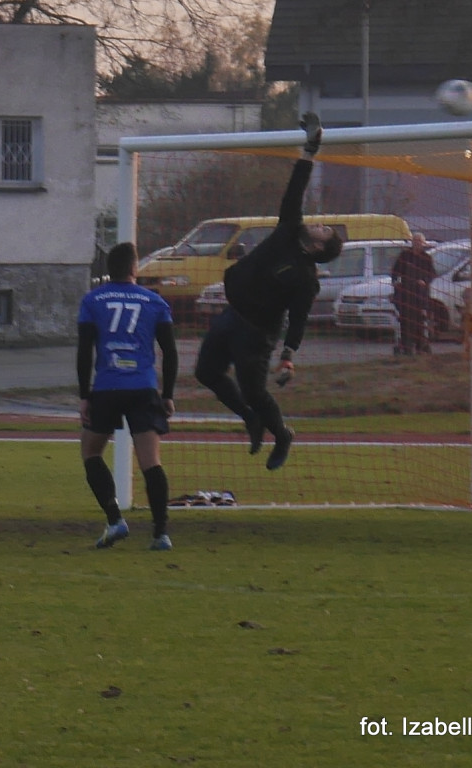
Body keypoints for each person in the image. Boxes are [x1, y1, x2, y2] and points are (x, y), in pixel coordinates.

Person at [194, 112, 342, 471]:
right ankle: (250, 418)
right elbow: (295, 190)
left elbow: (299, 319)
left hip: (258, 334)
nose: (318, 224)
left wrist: (288, 356)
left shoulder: (306, 278)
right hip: (232, 317)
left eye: (324, 229)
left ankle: (282, 433)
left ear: (321, 248)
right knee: (205, 373)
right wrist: (309, 151)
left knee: (255, 391)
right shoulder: (290, 230)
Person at [77, 241, 178, 551]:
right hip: (143, 388)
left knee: (91, 452)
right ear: (136, 268)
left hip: (107, 387)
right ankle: (160, 533)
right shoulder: (155, 302)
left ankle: (115, 520)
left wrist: (85, 395)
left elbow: (84, 352)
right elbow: (170, 353)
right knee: (151, 461)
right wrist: (168, 394)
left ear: (109, 270)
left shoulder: (93, 300)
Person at [391, 233, 436, 355]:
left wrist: (424, 281)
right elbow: (395, 271)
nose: (417, 244)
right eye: (415, 241)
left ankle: (421, 345)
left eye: (419, 242)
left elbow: (431, 274)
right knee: (405, 321)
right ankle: (406, 346)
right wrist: (395, 281)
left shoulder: (426, 258)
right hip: (405, 294)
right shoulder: (404, 256)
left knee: (420, 321)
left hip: (420, 295)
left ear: (423, 243)